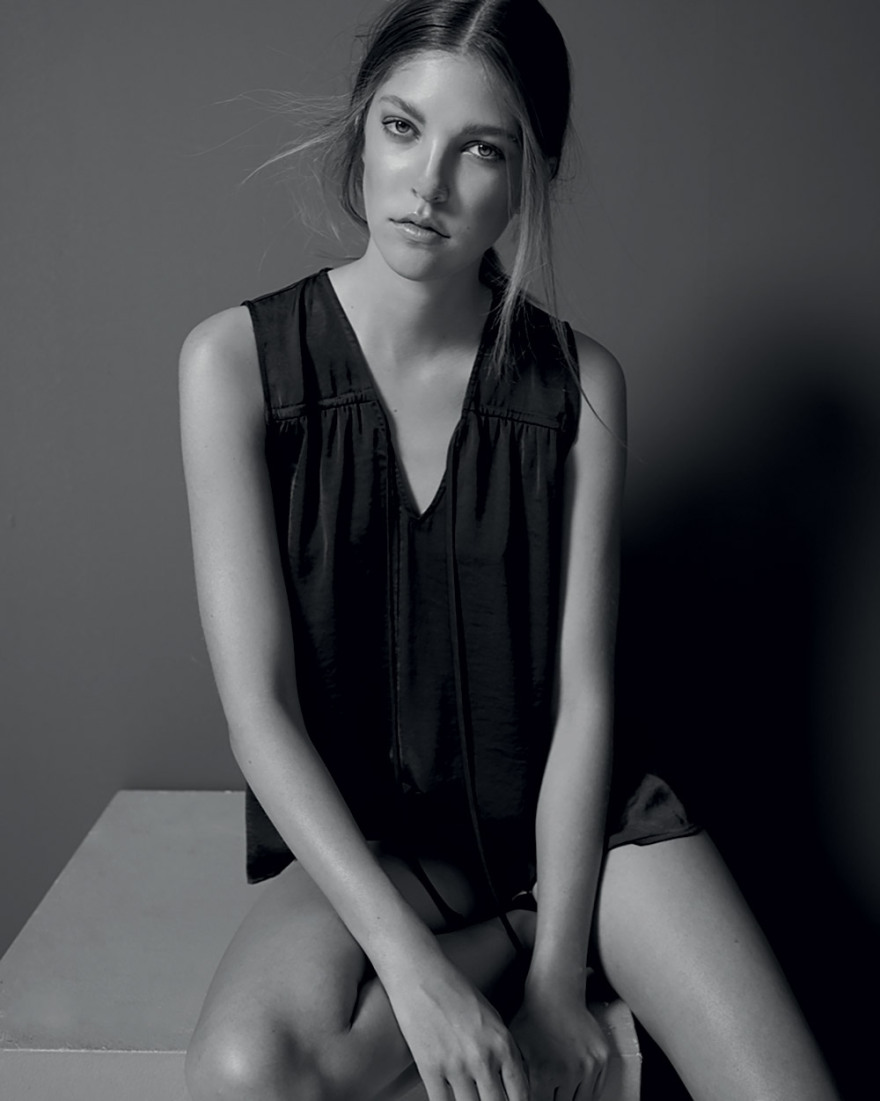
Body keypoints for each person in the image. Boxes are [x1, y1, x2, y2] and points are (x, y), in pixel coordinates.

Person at [179, 2, 841, 1098]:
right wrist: (414, 970)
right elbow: (260, 711)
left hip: (589, 832)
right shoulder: (232, 365)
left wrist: (555, 978)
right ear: (360, 129)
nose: (428, 185)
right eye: (402, 129)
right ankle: (494, 931)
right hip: (388, 838)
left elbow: (583, 701)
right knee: (248, 1071)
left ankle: (530, 923)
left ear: (530, 175)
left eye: (479, 150)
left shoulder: (580, 385)